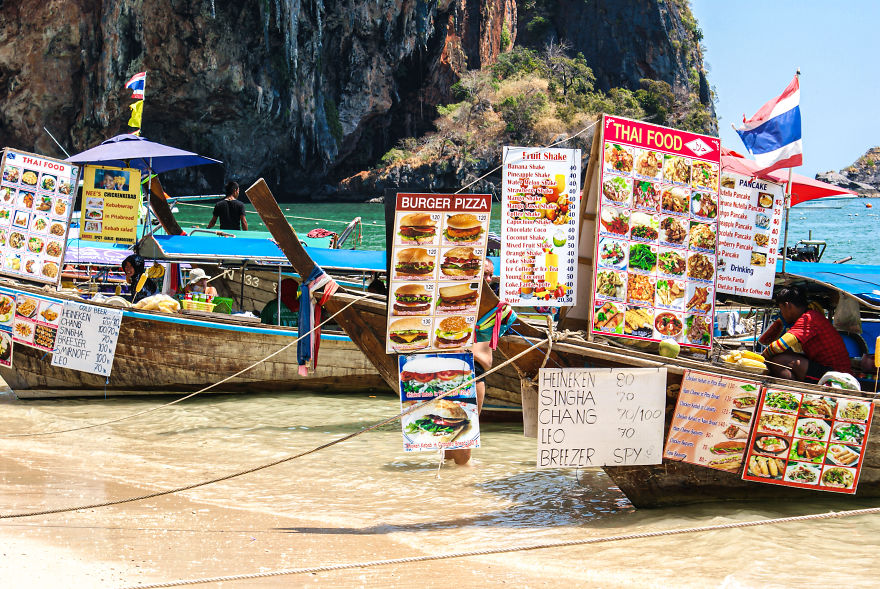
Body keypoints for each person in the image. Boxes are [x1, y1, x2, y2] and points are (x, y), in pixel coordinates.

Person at [760, 285, 851, 383]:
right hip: (830, 368)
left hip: (835, 373)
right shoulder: (811, 316)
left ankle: (791, 391)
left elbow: (778, 346)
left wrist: (761, 358)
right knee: (783, 356)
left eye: (781, 309)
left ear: (788, 305)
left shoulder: (809, 319)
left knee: (778, 361)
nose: (781, 314)